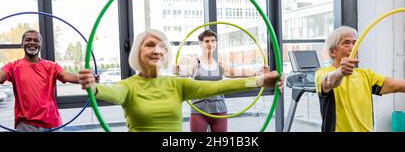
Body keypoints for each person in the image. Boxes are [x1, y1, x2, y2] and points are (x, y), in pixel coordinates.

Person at [78, 29, 283, 132]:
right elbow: (113, 93)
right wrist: (93, 87)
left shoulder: (176, 85)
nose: (157, 51)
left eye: (162, 47)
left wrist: (259, 80)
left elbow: (221, 85)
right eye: (150, 45)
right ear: (137, 50)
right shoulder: (128, 86)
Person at [315, 26, 405, 132]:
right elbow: (328, 82)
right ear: (332, 52)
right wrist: (341, 71)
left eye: (355, 43)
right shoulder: (323, 73)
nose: (353, 47)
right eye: (346, 43)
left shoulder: (365, 75)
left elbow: (400, 85)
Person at [173, 29, 269, 132]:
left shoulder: (219, 64)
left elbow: (236, 72)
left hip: (219, 109)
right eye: (207, 41)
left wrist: (256, 72)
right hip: (199, 111)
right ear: (201, 43)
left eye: (213, 41)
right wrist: (178, 70)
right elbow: (184, 70)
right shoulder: (195, 63)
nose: (210, 44)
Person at [0, 30, 80, 132]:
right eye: (28, 40)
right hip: (27, 125)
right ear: (22, 44)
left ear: (41, 45)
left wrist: (87, 77)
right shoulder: (13, 66)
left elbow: (67, 76)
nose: (32, 42)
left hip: (53, 123)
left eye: (36, 40)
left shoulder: (52, 66)